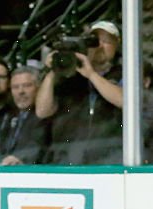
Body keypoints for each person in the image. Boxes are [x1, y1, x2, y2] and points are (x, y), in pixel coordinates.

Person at [36, 19, 122, 165]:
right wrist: (52, 72)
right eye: (94, 41)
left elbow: (125, 101)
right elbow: (42, 111)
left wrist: (91, 75)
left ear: (117, 45)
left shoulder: (125, 72)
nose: (100, 46)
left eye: (106, 41)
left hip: (107, 161)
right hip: (68, 160)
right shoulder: (70, 74)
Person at [0, 65, 48, 166]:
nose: (20, 91)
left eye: (27, 85)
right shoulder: (7, 115)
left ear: (38, 87)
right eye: (15, 87)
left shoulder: (45, 115)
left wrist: (22, 161)